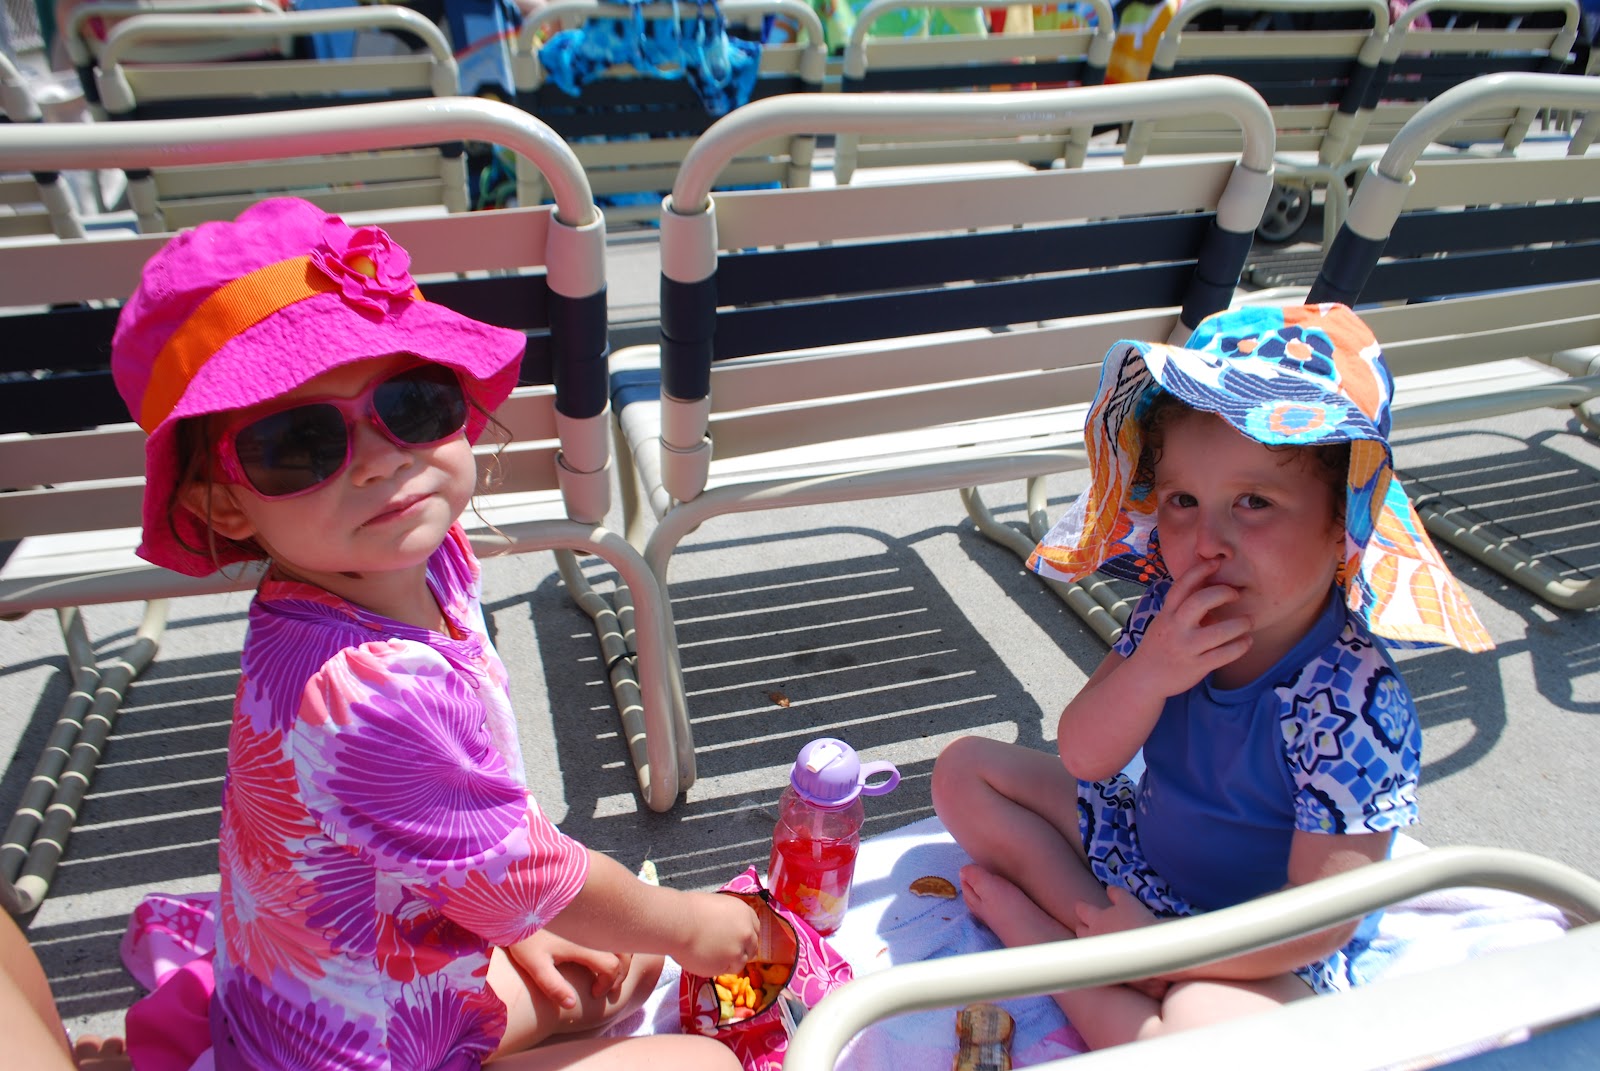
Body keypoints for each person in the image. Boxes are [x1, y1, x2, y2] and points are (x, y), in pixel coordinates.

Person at [108, 197, 758, 1071]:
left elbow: (460, 826)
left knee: (620, 965)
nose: (383, 457)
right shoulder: (360, 688)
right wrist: (685, 922)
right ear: (223, 503)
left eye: (412, 403)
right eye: (299, 443)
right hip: (358, 1052)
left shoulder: (413, 559)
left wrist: (512, 920)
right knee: (698, 1054)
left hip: (375, 980)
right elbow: (522, 864)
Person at [931, 304, 1494, 1050]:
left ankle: (1054, 949)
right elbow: (1084, 757)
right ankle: (1101, 942)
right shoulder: (1170, 610)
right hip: (1141, 850)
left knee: (1200, 1034)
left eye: (1254, 502)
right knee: (963, 771)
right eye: (1183, 501)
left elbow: (1321, 920)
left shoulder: (1353, 703)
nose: (1207, 541)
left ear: (1342, 522)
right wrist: (1151, 670)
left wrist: (1173, 953)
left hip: (1255, 940)